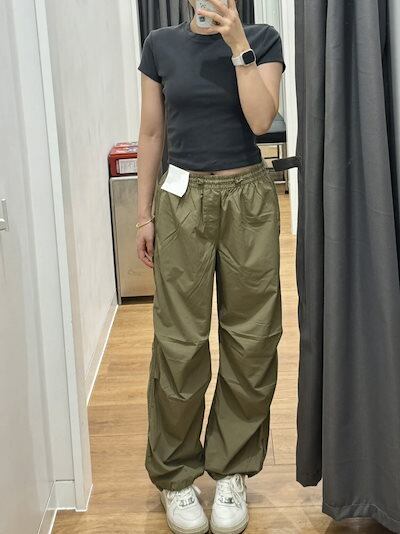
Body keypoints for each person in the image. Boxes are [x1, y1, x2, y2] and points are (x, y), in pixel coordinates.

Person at [136, 1, 286, 532]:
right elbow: (151, 134)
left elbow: (261, 120)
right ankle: (176, 476)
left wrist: (238, 45)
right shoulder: (160, 45)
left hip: (248, 197)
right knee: (179, 341)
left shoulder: (262, 39)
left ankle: (231, 470)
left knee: (252, 338)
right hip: (181, 199)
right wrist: (143, 216)